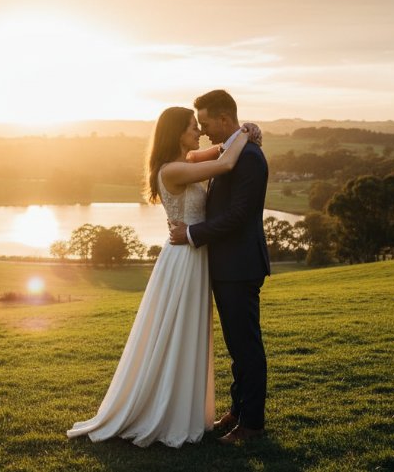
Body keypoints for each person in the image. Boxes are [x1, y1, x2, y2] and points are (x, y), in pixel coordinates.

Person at [67, 105, 259, 448]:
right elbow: (227, 162)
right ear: (176, 133)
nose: (198, 131)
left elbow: (219, 150)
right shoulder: (172, 169)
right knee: (177, 330)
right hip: (184, 258)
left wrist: (245, 132)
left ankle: (184, 408)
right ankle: (166, 411)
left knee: (188, 330)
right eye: (191, 127)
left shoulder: (186, 159)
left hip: (194, 255)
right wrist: (244, 135)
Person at [169, 89, 270, 445]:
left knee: (246, 346)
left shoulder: (250, 159)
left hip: (240, 265)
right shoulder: (231, 151)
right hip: (226, 265)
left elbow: (239, 216)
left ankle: (252, 425)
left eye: (207, 121)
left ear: (225, 119)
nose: (204, 128)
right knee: (236, 345)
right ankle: (238, 410)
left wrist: (192, 233)